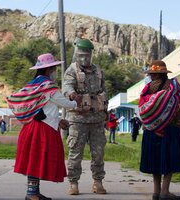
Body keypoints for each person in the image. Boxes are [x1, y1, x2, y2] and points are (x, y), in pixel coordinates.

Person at [7, 53, 81, 200]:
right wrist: (76, 101)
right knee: (36, 161)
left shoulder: (33, 84)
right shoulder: (48, 86)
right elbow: (64, 103)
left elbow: (46, 107)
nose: (55, 72)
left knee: (34, 161)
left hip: (32, 127)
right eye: (54, 68)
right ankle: (31, 193)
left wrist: (58, 120)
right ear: (49, 70)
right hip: (41, 129)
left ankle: (33, 192)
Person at [63, 38, 108, 195]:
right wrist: (71, 94)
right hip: (78, 120)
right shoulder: (71, 70)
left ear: (91, 55)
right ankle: (73, 183)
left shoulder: (98, 71)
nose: (84, 59)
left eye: (87, 55)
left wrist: (105, 110)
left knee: (98, 152)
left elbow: (104, 90)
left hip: (97, 119)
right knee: (75, 152)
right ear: (77, 55)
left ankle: (98, 182)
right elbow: (67, 86)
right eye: (81, 55)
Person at [139, 60, 180, 200]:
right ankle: (165, 191)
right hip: (171, 130)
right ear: (164, 73)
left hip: (151, 130)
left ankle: (156, 191)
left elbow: (142, 109)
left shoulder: (146, 89)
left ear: (152, 75)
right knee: (170, 160)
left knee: (155, 160)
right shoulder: (174, 87)